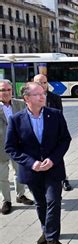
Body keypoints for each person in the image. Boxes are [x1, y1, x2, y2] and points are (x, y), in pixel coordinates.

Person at [5, 82, 71, 244]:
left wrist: (53, 159)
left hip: (53, 168)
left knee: (53, 201)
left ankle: (52, 238)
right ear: (26, 98)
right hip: (32, 170)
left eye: (43, 93)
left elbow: (65, 140)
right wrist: (31, 163)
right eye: (37, 94)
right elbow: (11, 148)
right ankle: (46, 230)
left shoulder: (55, 115)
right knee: (41, 203)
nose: (42, 96)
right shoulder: (16, 119)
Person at [0, 80, 34, 215]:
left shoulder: (20, 104)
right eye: (3, 90)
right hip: (0, 147)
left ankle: (20, 195)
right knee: (2, 176)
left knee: (19, 172)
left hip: (18, 146)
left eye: (9, 90)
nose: (6, 93)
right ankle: (6, 201)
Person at [33, 74, 72, 192]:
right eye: (39, 83)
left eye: (44, 82)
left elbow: (60, 116)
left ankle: (63, 179)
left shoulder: (55, 98)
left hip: (54, 134)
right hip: (38, 134)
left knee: (58, 156)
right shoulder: (31, 98)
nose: (42, 85)